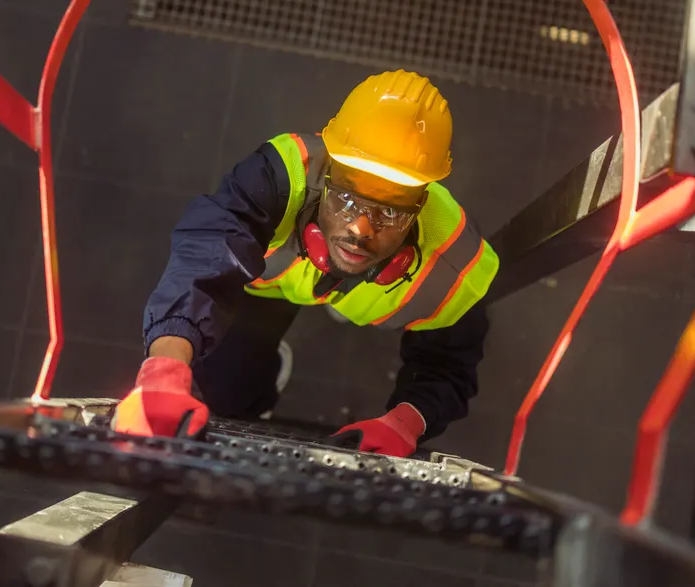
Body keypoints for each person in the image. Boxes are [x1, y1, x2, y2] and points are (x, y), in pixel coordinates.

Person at [111, 69, 499, 457]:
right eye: (347, 198)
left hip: (339, 286)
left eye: (390, 212)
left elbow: (449, 364)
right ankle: (295, 339)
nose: (361, 229)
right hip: (270, 284)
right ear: (327, 171)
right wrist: (164, 367)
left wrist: (405, 423)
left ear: (419, 208)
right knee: (228, 393)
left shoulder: (455, 265)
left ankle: (343, 293)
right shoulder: (282, 175)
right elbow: (206, 253)